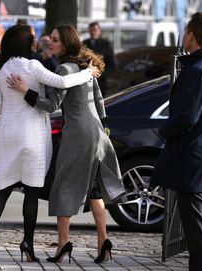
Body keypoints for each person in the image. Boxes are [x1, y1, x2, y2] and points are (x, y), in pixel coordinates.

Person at [0, 24, 99, 263]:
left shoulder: (1, 70)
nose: (37, 41)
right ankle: (27, 245)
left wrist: (12, 113)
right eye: (33, 38)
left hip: (8, 135)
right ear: (24, 42)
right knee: (31, 192)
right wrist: (88, 73)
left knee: (2, 189)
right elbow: (62, 83)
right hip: (32, 135)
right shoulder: (34, 66)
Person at [7, 24, 125, 264]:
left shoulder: (64, 68)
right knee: (93, 189)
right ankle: (104, 243)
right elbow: (100, 104)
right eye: (50, 39)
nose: (50, 43)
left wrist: (24, 91)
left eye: (56, 40)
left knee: (63, 187)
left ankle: (63, 244)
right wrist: (104, 131)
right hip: (97, 132)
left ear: (67, 44)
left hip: (79, 134)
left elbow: (52, 106)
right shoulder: (85, 66)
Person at [150, 12, 202, 271]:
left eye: (185, 32)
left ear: (192, 35)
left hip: (194, 159)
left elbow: (187, 117)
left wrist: (163, 131)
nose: (183, 36)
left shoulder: (198, 70)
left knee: (197, 229)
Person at [83, 22, 115, 98]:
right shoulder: (84, 43)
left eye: (95, 30)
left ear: (100, 31)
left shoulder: (106, 44)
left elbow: (112, 63)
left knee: (100, 100)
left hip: (101, 80)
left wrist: (104, 76)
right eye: (91, 30)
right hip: (87, 79)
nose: (93, 32)